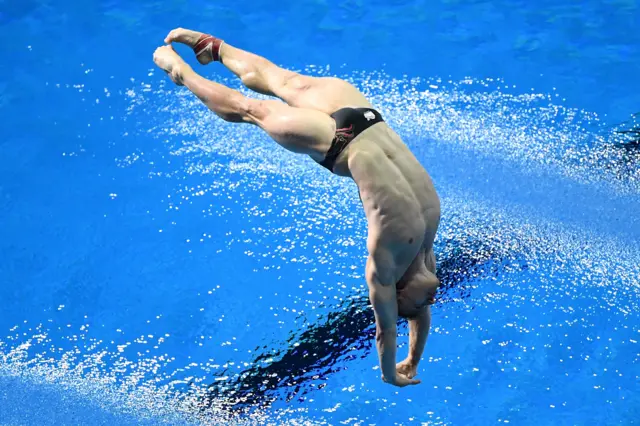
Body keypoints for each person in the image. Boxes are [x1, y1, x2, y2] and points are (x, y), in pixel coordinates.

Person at [153, 28, 441, 388]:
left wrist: (389, 374)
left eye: (417, 303)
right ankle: (214, 49)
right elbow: (419, 313)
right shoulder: (423, 255)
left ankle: (183, 73)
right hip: (366, 119)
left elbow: (386, 332)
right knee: (280, 78)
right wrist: (413, 361)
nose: (432, 298)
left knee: (250, 109)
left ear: (399, 293)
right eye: (423, 303)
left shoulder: (385, 269)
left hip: (339, 143)